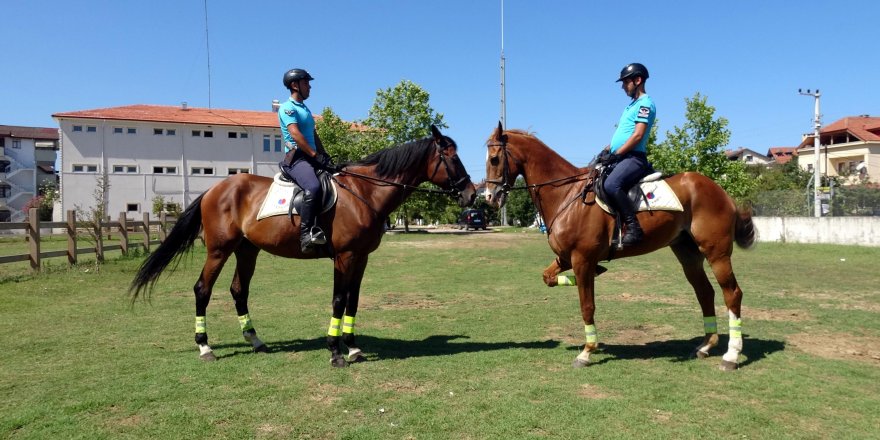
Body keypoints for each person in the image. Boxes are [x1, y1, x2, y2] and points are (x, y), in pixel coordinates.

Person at [603, 62, 656, 247]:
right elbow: (622, 135)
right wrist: (607, 149)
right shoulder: (631, 106)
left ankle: (634, 229)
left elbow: (638, 135)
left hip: (634, 158)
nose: (623, 86)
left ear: (638, 80)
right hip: (621, 156)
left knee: (611, 184)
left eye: (626, 82)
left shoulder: (645, 104)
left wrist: (617, 153)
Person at [278, 68, 331, 253]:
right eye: (306, 83)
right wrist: (315, 155)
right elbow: (295, 134)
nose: (309, 87)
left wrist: (325, 155)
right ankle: (305, 236)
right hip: (297, 159)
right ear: (295, 85)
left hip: (312, 156)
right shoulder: (287, 107)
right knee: (313, 187)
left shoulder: (305, 109)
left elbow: (313, 135)